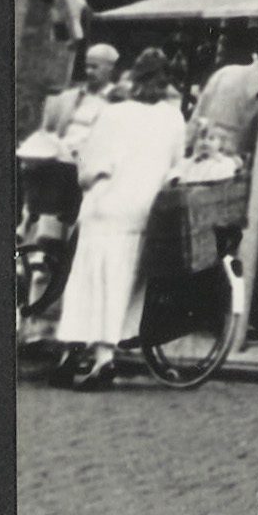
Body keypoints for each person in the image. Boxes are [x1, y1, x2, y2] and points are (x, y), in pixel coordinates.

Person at [60, 51, 191, 388]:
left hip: (107, 207)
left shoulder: (113, 114)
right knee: (124, 284)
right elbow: (177, 166)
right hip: (145, 211)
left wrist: (87, 177)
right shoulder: (174, 118)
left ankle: (92, 355)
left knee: (93, 281)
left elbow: (93, 166)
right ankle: (104, 353)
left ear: (133, 77)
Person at [187, 30, 258, 162]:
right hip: (233, 154)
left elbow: (199, 111)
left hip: (204, 145)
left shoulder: (224, 72)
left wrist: (188, 144)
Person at [43, 43, 120, 146]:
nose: (88, 71)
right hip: (62, 151)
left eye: (94, 67)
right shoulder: (69, 97)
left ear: (111, 68)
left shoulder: (117, 101)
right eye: (87, 66)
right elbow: (48, 130)